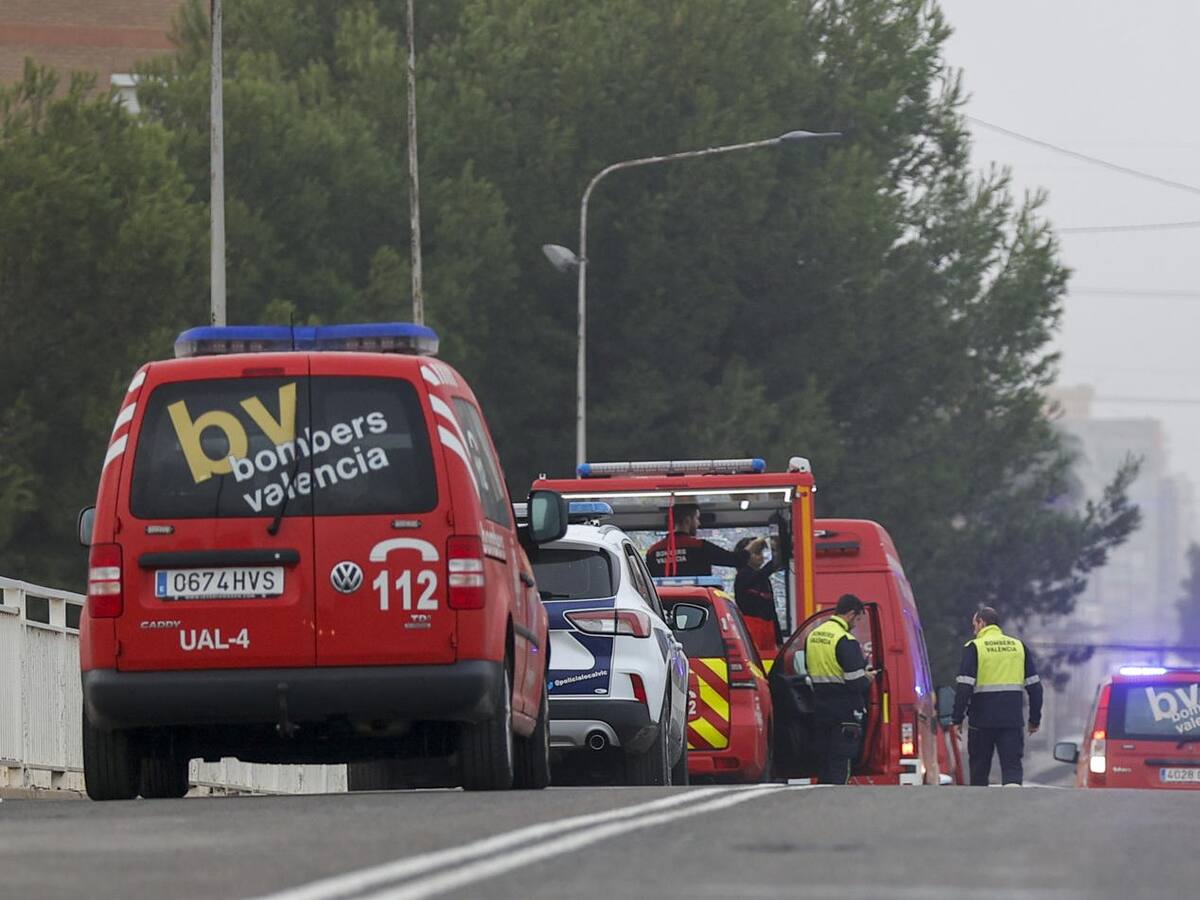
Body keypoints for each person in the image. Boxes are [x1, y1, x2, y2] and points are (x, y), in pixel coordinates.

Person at [949, 606, 1042, 786]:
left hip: (981, 722)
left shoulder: (975, 647)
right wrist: (1034, 719)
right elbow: (1035, 687)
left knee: (979, 770)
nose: (974, 630)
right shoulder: (1018, 647)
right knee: (1012, 768)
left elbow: (964, 688)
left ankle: (981, 810)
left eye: (974, 625)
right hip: (1011, 721)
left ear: (982, 623)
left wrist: (957, 719)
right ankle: (1011, 808)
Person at [805, 594, 875, 784]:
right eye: (859, 619)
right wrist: (867, 677)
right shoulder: (845, 640)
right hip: (844, 709)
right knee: (840, 762)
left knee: (824, 760)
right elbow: (855, 682)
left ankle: (821, 800)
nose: (857, 624)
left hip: (820, 706)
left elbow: (808, 667)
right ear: (851, 614)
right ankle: (835, 803)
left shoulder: (814, 635)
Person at [644, 503, 765, 577]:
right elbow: (735, 560)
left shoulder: (652, 552)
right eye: (697, 519)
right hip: (698, 606)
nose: (698, 523)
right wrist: (755, 544)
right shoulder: (700, 547)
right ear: (687, 520)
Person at [733, 535, 784, 651]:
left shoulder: (764, 580)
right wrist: (778, 552)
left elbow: (772, 610)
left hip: (768, 629)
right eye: (756, 553)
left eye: (761, 552)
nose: (760, 556)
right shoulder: (743, 576)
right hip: (751, 629)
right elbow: (762, 573)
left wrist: (779, 641)